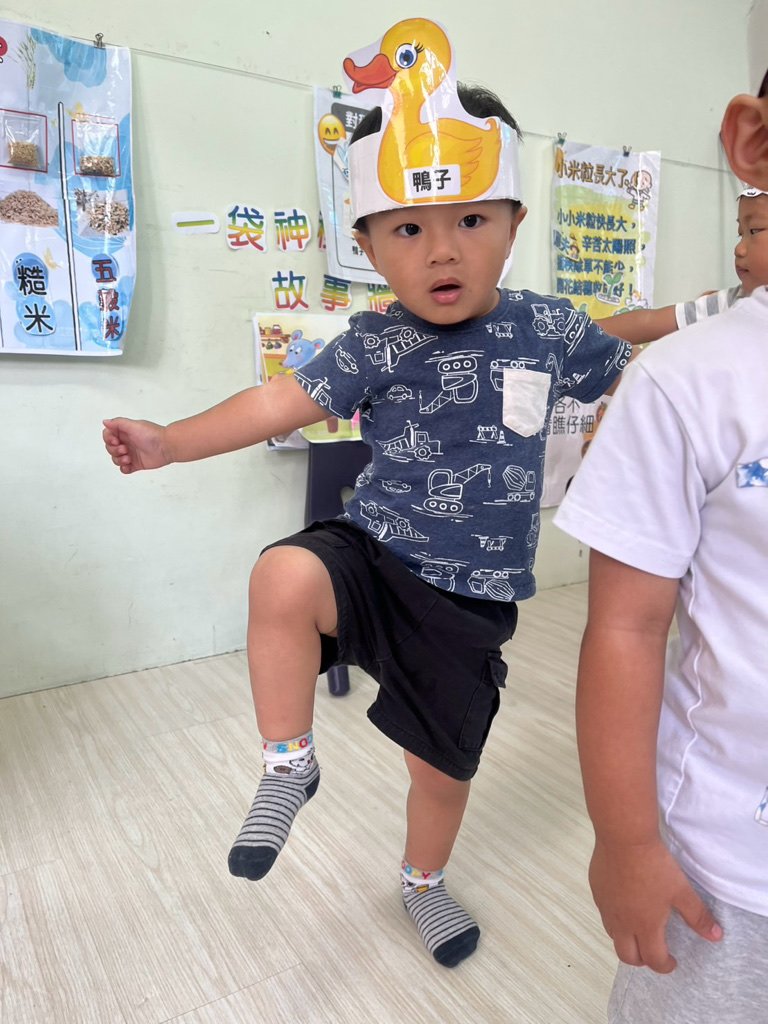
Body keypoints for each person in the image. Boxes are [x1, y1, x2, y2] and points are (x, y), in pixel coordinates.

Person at [103, 18, 633, 969]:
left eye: (472, 221)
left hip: (469, 600)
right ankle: (288, 763)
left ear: (515, 223)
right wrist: (171, 443)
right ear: (370, 246)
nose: (442, 252)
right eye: (409, 229)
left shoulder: (549, 327)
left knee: (440, 774)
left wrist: (714, 333)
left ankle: (422, 884)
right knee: (282, 576)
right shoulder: (374, 340)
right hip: (376, 555)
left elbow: (630, 368)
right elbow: (275, 402)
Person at [554, 3, 768, 1019]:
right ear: (754, 145)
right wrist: (627, 840)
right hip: (730, 864)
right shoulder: (690, 379)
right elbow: (626, 628)